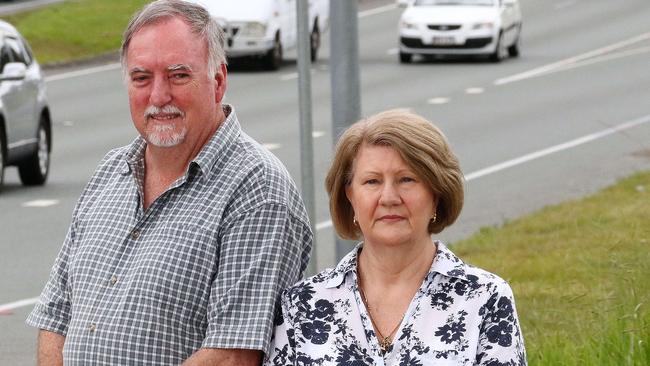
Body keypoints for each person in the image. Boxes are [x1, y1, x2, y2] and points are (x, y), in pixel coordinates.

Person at [26, 1, 313, 365]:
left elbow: (232, 356)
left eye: (178, 76)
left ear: (218, 81)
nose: (159, 96)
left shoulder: (257, 190)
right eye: (141, 78)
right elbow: (56, 316)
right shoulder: (109, 173)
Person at [265, 109, 527, 365]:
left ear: (437, 193)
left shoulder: (485, 297)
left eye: (406, 180)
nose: (389, 198)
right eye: (372, 182)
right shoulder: (302, 305)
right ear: (350, 196)